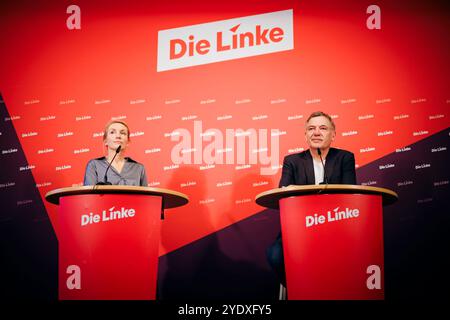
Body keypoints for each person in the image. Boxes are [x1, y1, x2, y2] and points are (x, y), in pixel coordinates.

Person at [266, 111, 357, 287]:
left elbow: (349, 195)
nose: (316, 132)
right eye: (311, 129)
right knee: (275, 254)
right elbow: (283, 193)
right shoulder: (292, 161)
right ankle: (299, 289)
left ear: (333, 135)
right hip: (299, 228)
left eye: (323, 128)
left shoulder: (345, 158)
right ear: (306, 135)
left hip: (336, 226)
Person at [83, 120, 148, 186]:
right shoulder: (94, 165)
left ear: (128, 142)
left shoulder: (139, 168)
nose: (118, 136)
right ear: (105, 141)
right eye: (112, 132)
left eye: (123, 133)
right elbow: (89, 195)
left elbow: (146, 195)